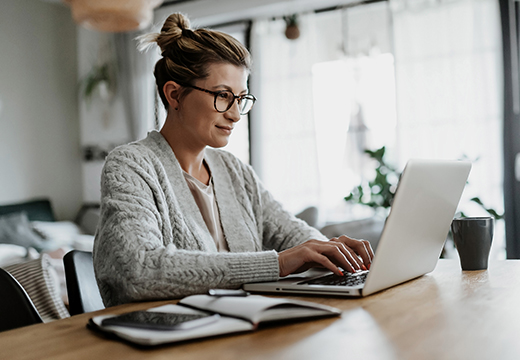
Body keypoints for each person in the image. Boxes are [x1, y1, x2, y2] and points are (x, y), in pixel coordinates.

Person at [93, 13, 374, 307]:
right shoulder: (131, 165)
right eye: (223, 96)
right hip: (167, 340)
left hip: (242, 329)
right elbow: (139, 269)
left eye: (241, 99)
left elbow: (290, 233)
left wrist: (330, 251)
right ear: (175, 95)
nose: (235, 114)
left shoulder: (234, 170)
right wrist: (276, 264)